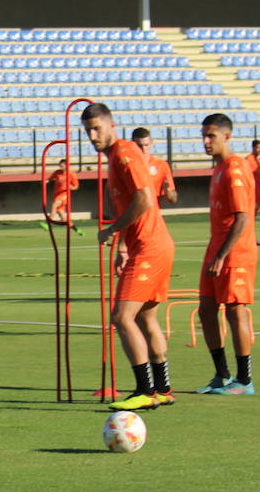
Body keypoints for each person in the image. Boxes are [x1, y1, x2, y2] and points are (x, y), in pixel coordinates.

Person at [82, 103, 176, 411]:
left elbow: (144, 200)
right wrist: (123, 246)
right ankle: (163, 389)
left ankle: (144, 391)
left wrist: (111, 230)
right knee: (146, 317)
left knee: (121, 317)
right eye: (87, 131)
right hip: (151, 245)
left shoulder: (123, 153)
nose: (92, 136)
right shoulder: (114, 157)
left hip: (150, 247)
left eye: (97, 128)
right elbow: (131, 207)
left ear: (111, 124)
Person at [194, 114, 257, 396]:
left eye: (212, 136)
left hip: (235, 252)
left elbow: (242, 219)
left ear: (227, 137)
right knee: (206, 310)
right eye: (204, 136)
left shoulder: (235, 169)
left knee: (235, 311)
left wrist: (221, 255)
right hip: (216, 248)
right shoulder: (218, 169)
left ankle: (244, 380)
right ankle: (221, 375)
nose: (206, 142)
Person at [131, 127, 177, 207]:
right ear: (132, 144)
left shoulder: (161, 166)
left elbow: (173, 199)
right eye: (139, 146)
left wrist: (168, 192)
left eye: (146, 145)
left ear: (151, 143)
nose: (144, 149)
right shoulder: (127, 165)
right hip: (132, 216)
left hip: (153, 217)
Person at [43, 157, 80, 233]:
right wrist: (46, 181)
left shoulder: (71, 174)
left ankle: (48, 223)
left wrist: (70, 187)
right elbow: (50, 179)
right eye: (60, 166)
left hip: (64, 195)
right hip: (56, 194)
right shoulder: (57, 172)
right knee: (63, 218)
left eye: (62, 166)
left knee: (54, 205)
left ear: (66, 165)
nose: (61, 167)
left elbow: (76, 186)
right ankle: (77, 230)